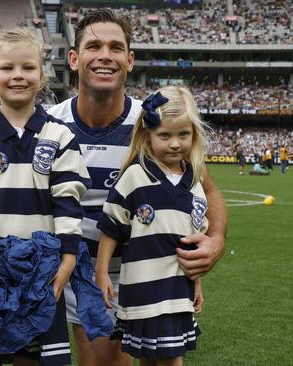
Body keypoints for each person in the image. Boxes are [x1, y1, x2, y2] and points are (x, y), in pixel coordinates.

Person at [0, 9, 227, 365]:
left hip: (118, 273)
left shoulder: (152, 125)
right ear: (74, 59)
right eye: (94, 46)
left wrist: (215, 242)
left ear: (130, 60)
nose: (105, 55)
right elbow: (9, 199)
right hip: (45, 256)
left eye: (116, 47)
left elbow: (208, 189)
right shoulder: (47, 124)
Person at [0, 28, 90, 365]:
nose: (18, 76)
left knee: (33, 360)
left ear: (41, 76)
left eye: (27, 67)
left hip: (41, 273)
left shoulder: (61, 136)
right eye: (7, 68)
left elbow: (68, 202)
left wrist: (66, 261)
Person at [95, 86, 205, 364]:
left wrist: (198, 284)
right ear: (148, 136)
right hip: (142, 288)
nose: (175, 143)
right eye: (164, 135)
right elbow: (111, 228)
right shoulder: (135, 175)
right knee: (159, 358)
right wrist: (102, 272)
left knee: (163, 357)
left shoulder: (195, 184)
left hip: (177, 290)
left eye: (183, 134)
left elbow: (195, 244)